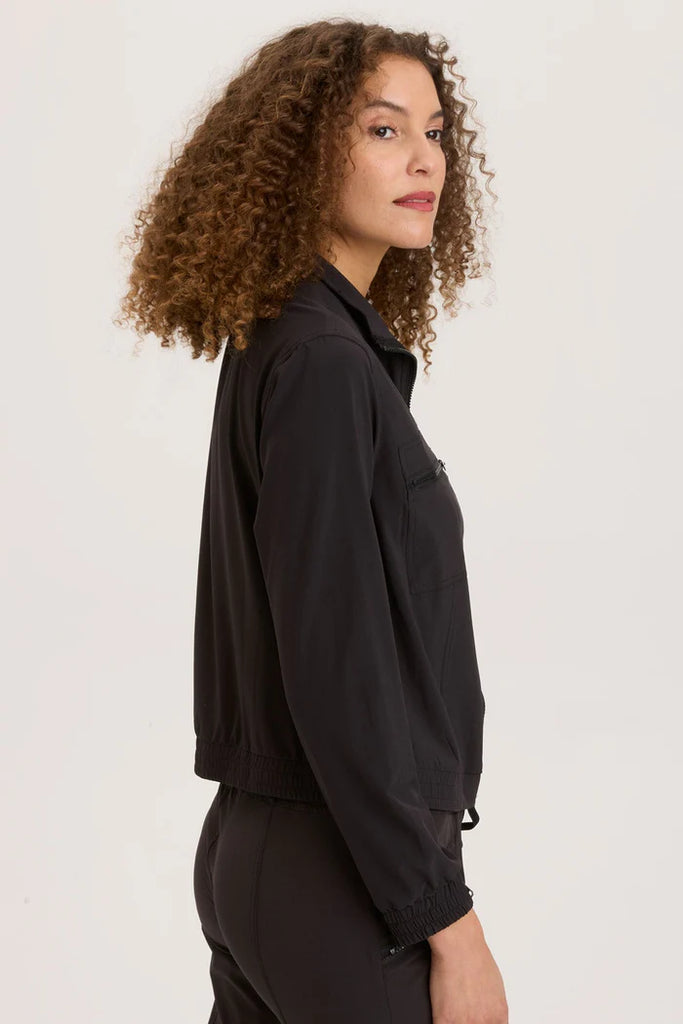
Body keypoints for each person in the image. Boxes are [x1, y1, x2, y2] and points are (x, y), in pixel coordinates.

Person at [115, 18, 507, 1024]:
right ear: (299, 153)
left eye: (433, 131)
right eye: (382, 130)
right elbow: (336, 670)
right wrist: (448, 921)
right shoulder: (325, 364)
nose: (424, 158)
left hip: (267, 856)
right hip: (340, 880)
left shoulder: (289, 339)